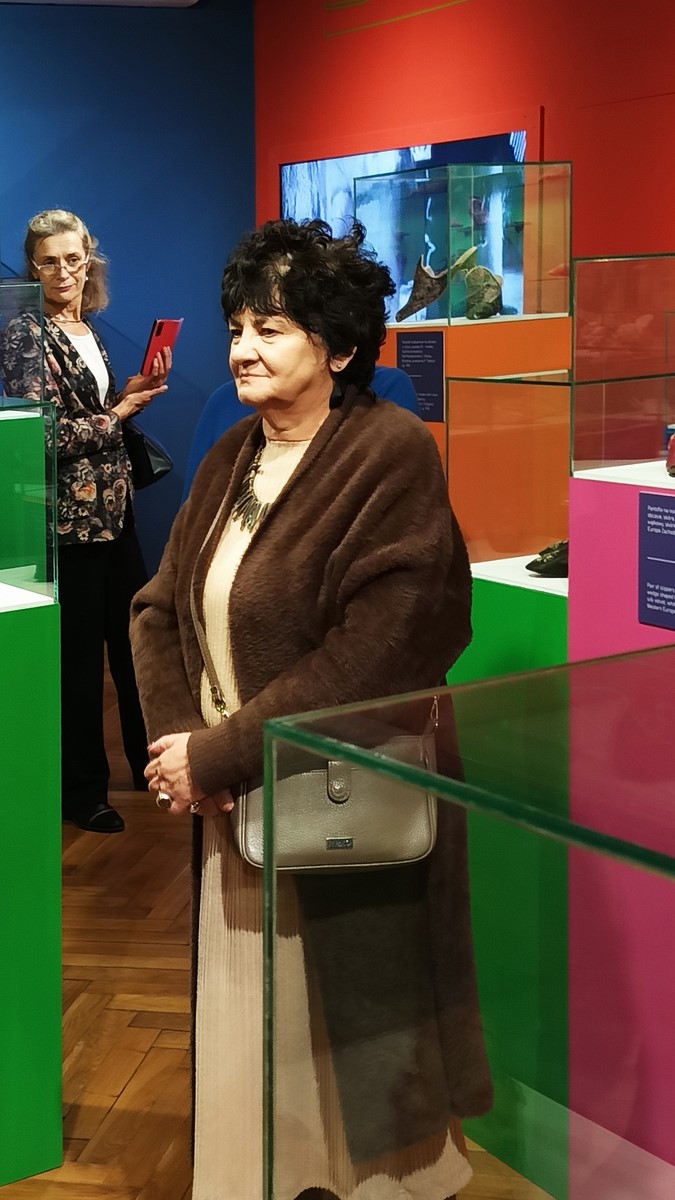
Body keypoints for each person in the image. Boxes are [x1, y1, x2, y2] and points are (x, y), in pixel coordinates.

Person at [129, 218, 491, 1200]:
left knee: (359, 1056)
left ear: (336, 346)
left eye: (272, 328)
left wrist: (220, 754)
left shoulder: (388, 453)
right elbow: (158, 607)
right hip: (231, 805)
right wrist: (180, 744)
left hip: (342, 804)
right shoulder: (232, 455)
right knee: (257, 1045)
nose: (243, 349)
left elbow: (385, 647)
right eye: (237, 327)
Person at [0, 209, 171, 833]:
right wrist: (118, 414)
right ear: (33, 267)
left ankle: (151, 767)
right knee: (77, 665)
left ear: (89, 258)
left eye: (73, 259)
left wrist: (131, 393)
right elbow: (42, 435)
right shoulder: (25, 333)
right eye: (49, 261)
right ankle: (82, 793)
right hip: (67, 524)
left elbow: (89, 413)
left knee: (135, 646)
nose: (63, 272)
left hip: (114, 511)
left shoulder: (85, 327)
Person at [182, 364, 419, 498]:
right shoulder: (224, 402)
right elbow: (190, 525)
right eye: (237, 332)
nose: (241, 352)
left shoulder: (385, 392)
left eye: (269, 332)